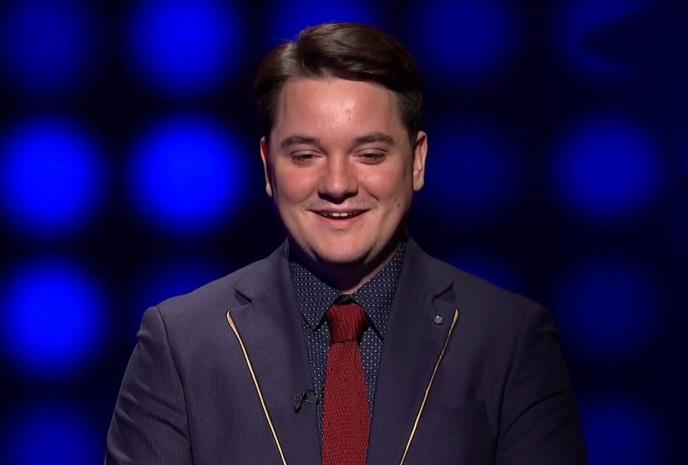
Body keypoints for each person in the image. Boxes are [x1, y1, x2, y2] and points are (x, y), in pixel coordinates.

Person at [105, 23, 587, 465]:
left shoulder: (509, 341)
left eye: (370, 154)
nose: (337, 184)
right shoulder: (181, 344)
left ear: (417, 161)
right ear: (268, 166)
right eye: (306, 155)